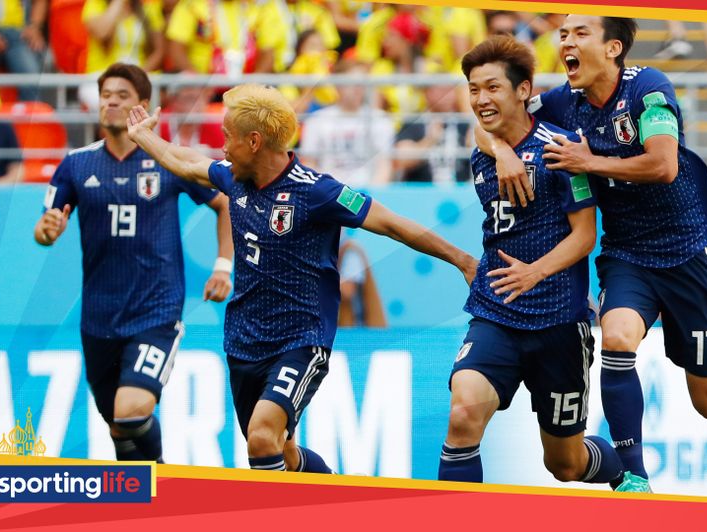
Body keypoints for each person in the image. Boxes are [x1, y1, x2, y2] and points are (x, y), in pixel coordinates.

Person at [126, 83, 477, 473]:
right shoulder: (233, 180)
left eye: (228, 137)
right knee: (280, 451)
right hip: (244, 342)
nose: (222, 147)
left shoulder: (318, 193)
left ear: (254, 141)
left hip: (301, 340)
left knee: (262, 435)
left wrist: (462, 259)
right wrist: (143, 136)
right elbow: (183, 160)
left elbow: (392, 225)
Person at [476, 16, 707, 492]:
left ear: (612, 48)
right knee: (618, 338)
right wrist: (501, 149)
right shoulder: (565, 102)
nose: (565, 41)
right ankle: (634, 476)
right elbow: (495, 116)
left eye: (580, 33)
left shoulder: (649, 88)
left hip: (687, 251)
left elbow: (664, 164)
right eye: (563, 33)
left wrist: (588, 161)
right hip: (627, 253)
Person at [437, 35, 623, 487]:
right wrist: (501, 149)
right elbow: (484, 129)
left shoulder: (560, 150)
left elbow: (584, 237)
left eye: (493, 88)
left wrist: (534, 272)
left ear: (523, 91)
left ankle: (623, 473)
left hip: (558, 323)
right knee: (462, 414)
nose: (481, 99)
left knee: (564, 465)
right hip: (495, 313)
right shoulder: (484, 149)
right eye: (474, 89)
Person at [33, 63, 234, 463]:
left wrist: (223, 266)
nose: (110, 101)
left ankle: (165, 483)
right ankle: (143, 498)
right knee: (118, 427)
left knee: (131, 409)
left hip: (156, 312)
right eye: (105, 94)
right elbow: (43, 231)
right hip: (99, 319)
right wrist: (49, 228)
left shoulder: (168, 160)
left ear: (143, 105)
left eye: (121, 95)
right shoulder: (75, 164)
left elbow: (224, 202)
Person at [299, 60, 395, 187]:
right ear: (337, 85)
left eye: (362, 83)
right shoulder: (317, 120)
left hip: (367, 194)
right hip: (329, 195)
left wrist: (373, 198)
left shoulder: (380, 119)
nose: (358, 89)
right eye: (351, 83)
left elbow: (384, 165)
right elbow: (309, 164)